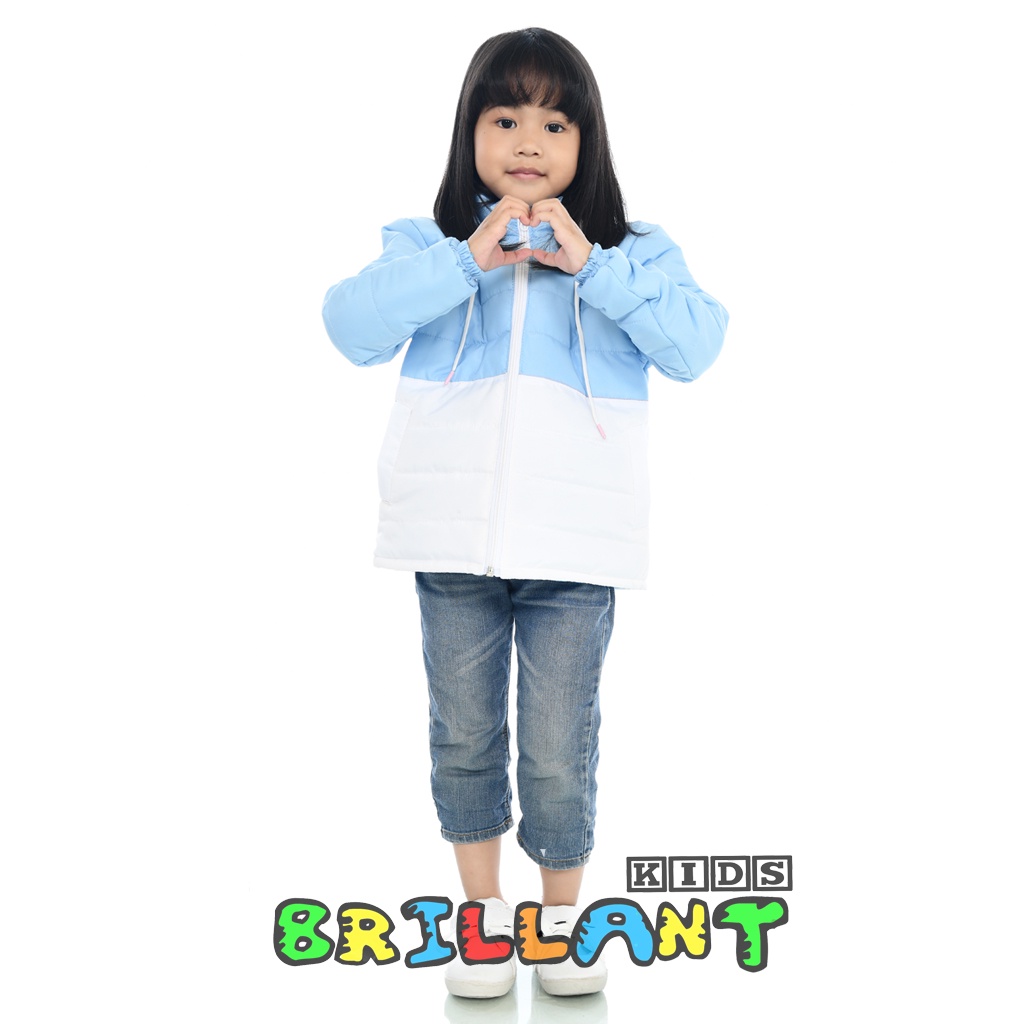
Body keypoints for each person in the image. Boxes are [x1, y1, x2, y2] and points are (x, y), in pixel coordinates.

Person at [322, 27, 727, 999]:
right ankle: (482, 920)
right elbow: (349, 325)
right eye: (504, 118)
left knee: (556, 749)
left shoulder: (632, 252)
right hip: (449, 539)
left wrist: (594, 267)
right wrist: (468, 259)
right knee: (462, 738)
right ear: (470, 130)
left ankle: (558, 924)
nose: (528, 140)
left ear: (588, 139)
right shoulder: (425, 245)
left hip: (576, 550)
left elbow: (697, 346)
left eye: (554, 121)